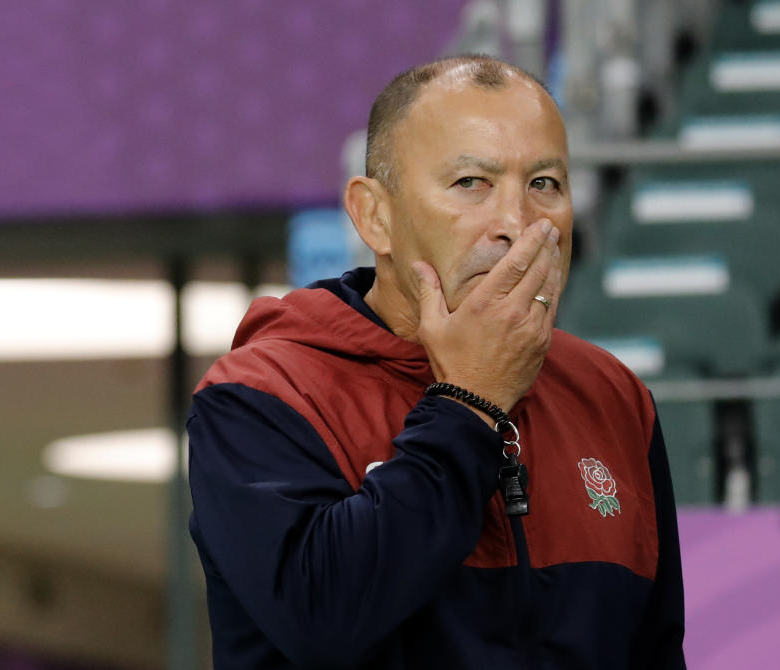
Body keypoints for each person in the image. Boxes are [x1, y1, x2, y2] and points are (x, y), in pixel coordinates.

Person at [188, 54, 686, 669]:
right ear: (376, 216)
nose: (516, 223)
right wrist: (470, 402)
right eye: (471, 183)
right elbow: (323, 617)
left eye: (544, 184)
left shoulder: (613, 396)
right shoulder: (265, 394)